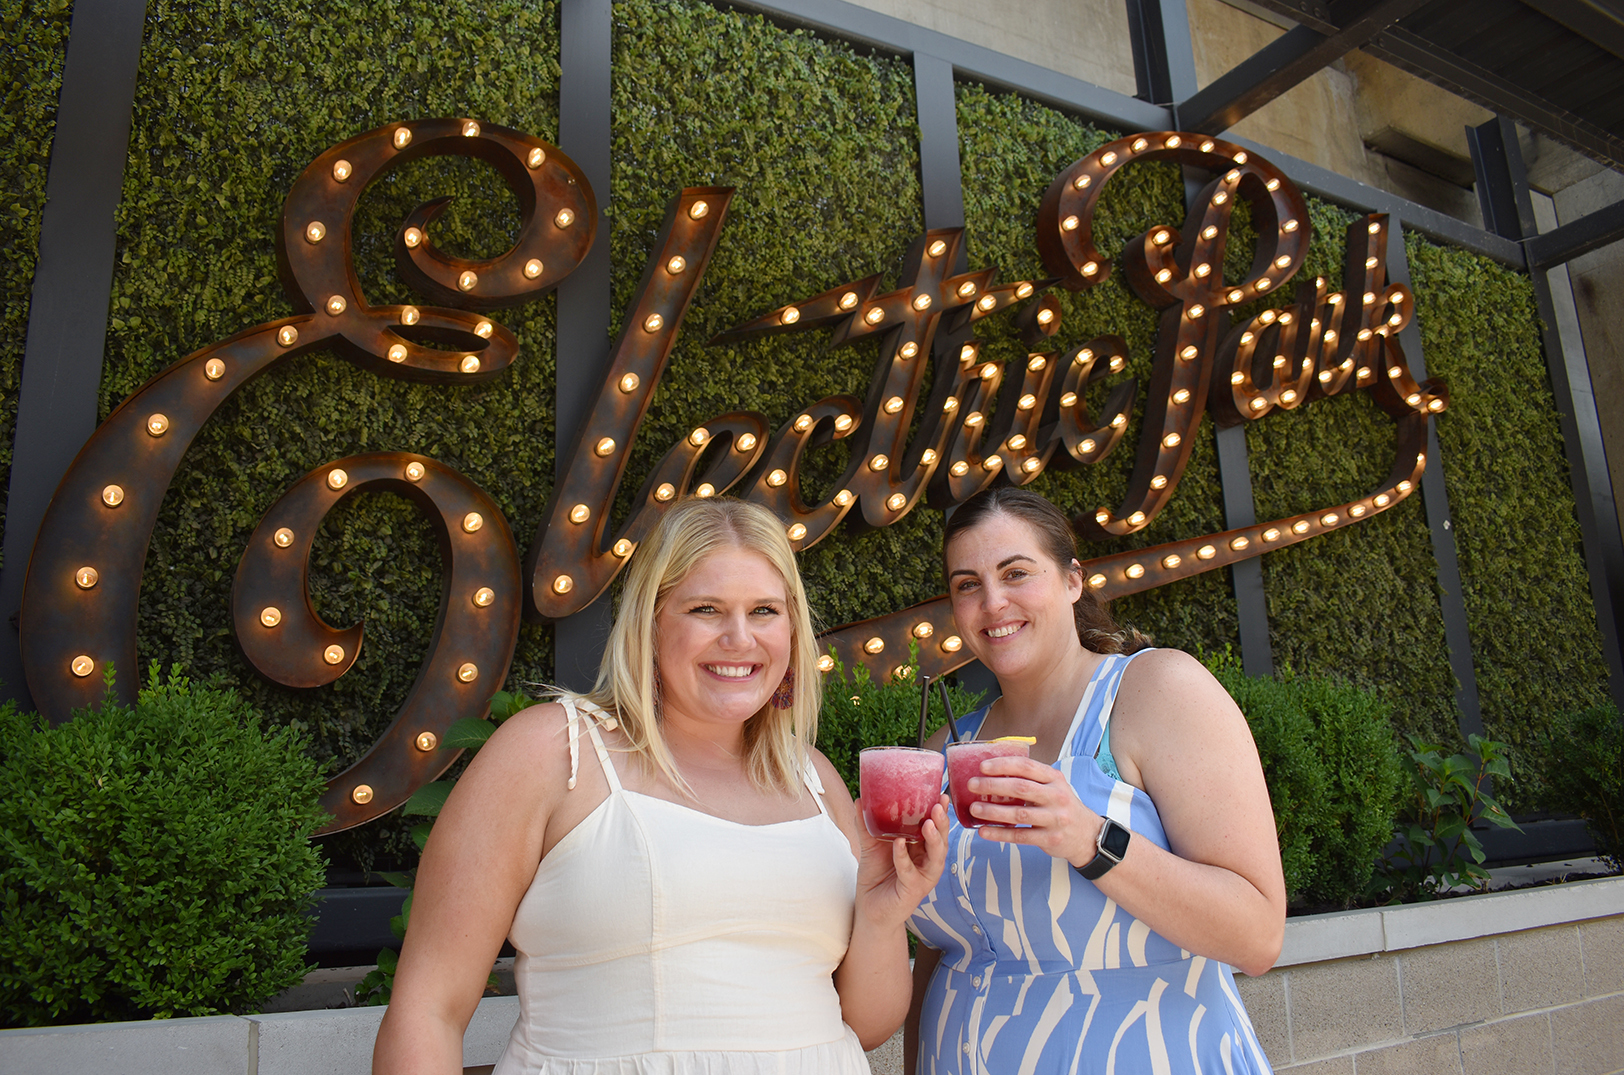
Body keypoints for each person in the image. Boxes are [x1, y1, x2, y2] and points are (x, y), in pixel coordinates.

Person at [374, 496, 948, 1075]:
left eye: (766, 611)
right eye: (706, 609)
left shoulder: (814, 779)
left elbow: (866, 1026)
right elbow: (429, 1009)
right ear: (651, 620)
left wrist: (881, 914)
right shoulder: (554, 752)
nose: (739, 638)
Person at [904, 488, 1285, 1075]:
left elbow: (1257, 936)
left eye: (1016, 573)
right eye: (967, 584)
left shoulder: (1156, 692)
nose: (993, 602)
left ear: (1073, 579)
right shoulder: (945, 753)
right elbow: (943, 952)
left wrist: (1089, 839)